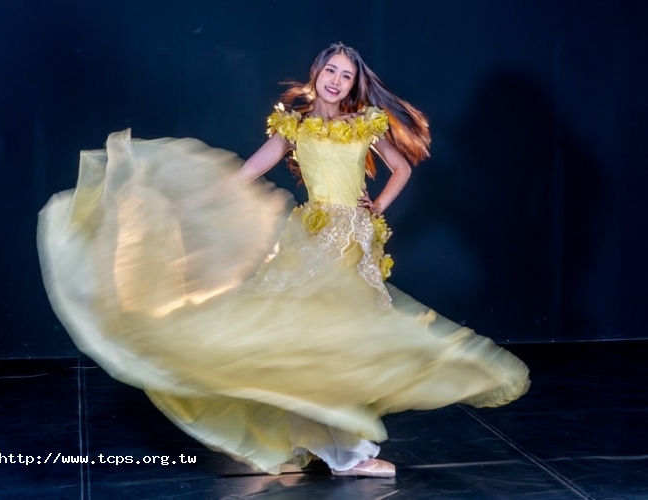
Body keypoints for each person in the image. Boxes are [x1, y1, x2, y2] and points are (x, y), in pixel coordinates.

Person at [37, 43, 530, 478]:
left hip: (354, 240)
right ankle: (342, 450)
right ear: (316, 73)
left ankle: (331, 444)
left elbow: (400, 167)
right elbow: (252, 168)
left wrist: (377, 206)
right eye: (331, 71)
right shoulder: (294, 125)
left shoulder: (364, 122)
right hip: (313, 238)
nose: (336, 80)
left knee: (338, 338)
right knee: (311, 336)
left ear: (354, 85)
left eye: (346, 75)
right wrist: (195, 201)